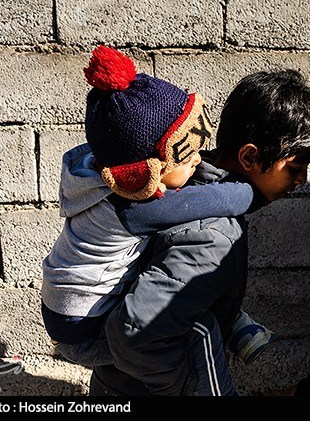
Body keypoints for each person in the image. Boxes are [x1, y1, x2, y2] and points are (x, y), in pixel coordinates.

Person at [88, 68, 310, 396]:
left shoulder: (182, 178)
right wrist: (189, 384)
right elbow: (134, 334)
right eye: (295, 167)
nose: (301, 180)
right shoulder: (214, 236)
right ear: (249, 156)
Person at [41, 45, 274, 380]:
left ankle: (234, 320)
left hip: (68, 313)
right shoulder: (131, 207)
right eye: (187, 156)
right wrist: (258, 188)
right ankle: (228, 331)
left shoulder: (101, 174)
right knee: (188, 324)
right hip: (84, 331)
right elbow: (226, 199)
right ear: (144, 171)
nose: (198, 159)